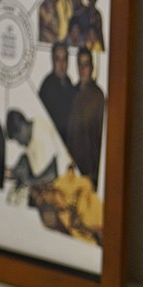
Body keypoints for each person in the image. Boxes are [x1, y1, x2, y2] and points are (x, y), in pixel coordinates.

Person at [65, 47, 104, 187]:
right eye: (80, 64)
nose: (82, 69)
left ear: (92, 67)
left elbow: (99, 137)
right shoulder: (72, 93)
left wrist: (94, 174)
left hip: (88, 169)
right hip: (70, 168)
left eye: (86, 64)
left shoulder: (98, 96)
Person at [39, 42, 77, 141]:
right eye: (58, 59)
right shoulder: (47, 85)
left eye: (64, 59)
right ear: (52, 61)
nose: (61, 64)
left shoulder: (68, 82)